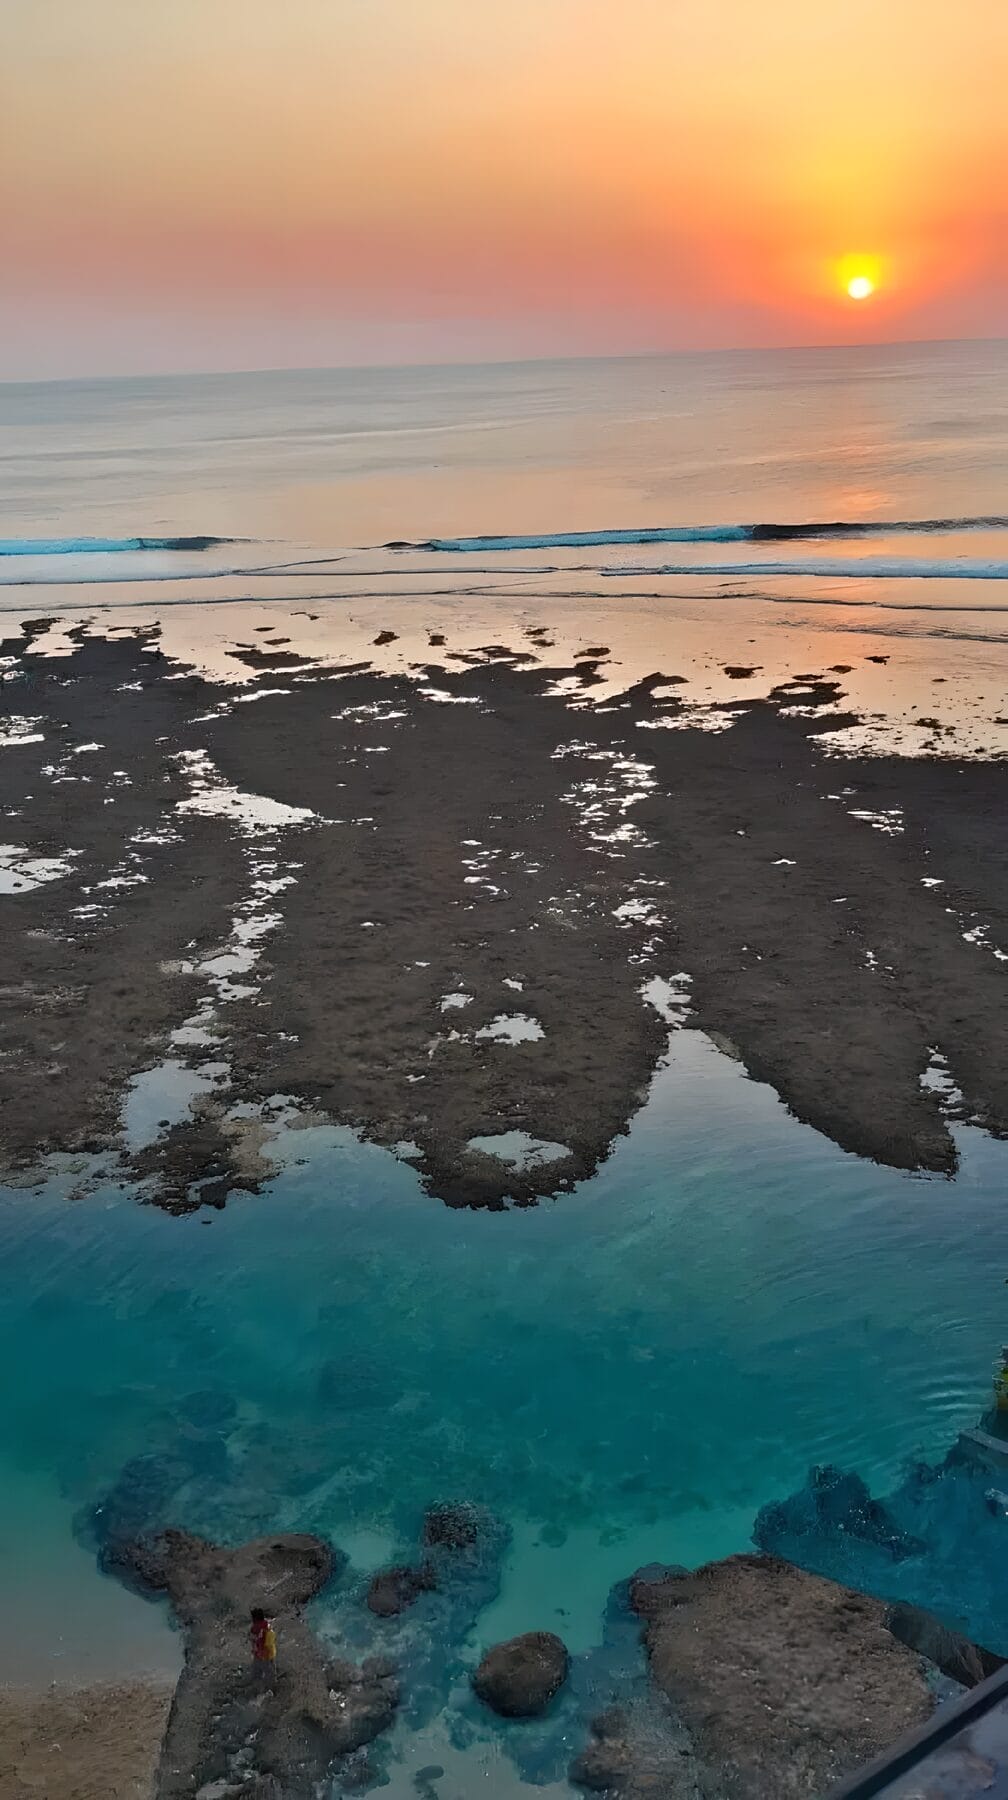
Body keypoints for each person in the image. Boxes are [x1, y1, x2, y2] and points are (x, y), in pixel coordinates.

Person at [250, 1606, 277, 1671]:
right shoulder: (267, 1624)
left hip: (259, 1653)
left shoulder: (254, 1627)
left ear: (255, 1618)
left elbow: (253, 1640)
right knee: (270, 1671)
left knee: (256, 1672)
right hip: (269, 1652)